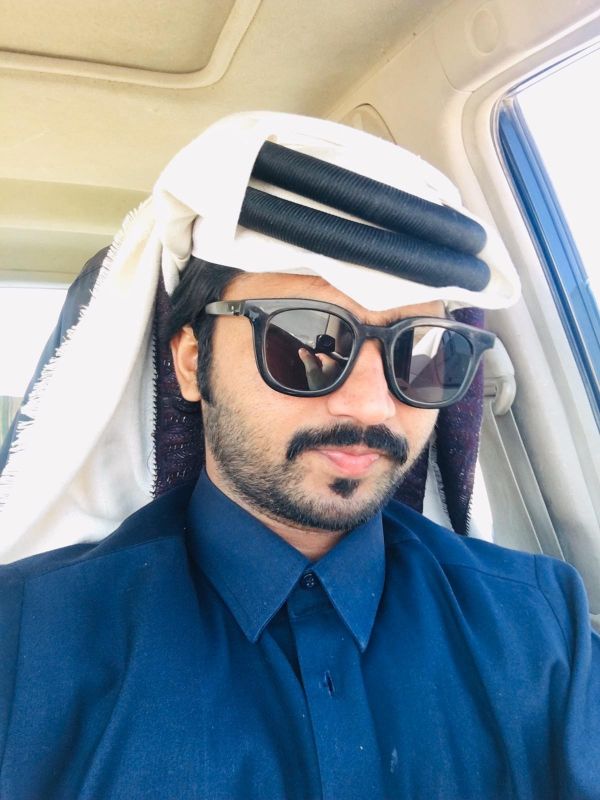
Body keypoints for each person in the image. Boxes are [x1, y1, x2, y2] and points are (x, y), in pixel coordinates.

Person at [0, 112, 598, 799]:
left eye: (420, 351)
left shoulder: (540, 627)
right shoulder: (25, 643)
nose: (372, 407)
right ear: (193, 363)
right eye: (307, 341)